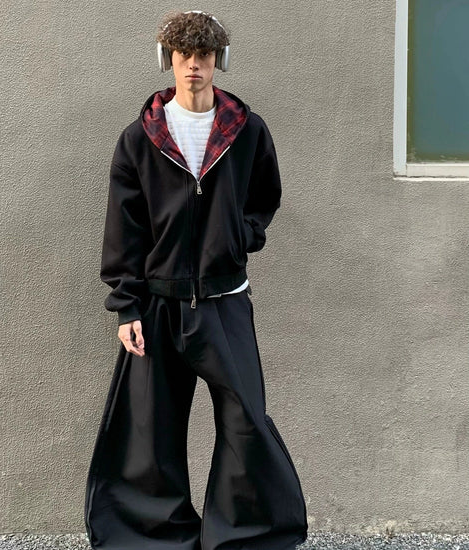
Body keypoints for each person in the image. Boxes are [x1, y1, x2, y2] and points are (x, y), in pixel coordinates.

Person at [84, 10, 308, 550]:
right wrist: (126, 306)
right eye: (184, 55)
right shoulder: (140, 138)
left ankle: (242, 536)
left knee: (245, 420)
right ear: (169, 59)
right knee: (151, 429)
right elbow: (124, 227)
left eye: (203, 55)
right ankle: (157, 538)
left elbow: (265, 197)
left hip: (224, 301)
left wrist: (240, 237)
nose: (193, 66)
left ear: (218, 61)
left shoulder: (246, 131)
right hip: (157, 305)